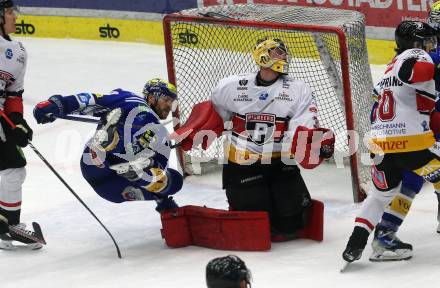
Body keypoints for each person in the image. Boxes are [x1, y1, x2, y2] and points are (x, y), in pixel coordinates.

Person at [172, 37, 334, 241]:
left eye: (283, 52)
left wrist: (313, 144)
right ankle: (239, 203)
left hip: (279, 162)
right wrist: (195, 128)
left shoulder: (298, 89)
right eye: (277, 52)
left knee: (291, 225)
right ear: (262, 55)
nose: (283, 56)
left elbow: (304, 124)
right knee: (257, 223)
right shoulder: (231, 86)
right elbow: (213, 115)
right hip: (242, 164)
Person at [342, 20, 440, 264]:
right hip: (412, 142)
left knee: (380, 196)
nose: (431, 45)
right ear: (416, 43)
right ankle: (385, 234)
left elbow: (378, 109)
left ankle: (357, 244)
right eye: (427, 42)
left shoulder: (389, 67)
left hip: (383, 143)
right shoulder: (418, 55)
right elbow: (414, 72)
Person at [33, 78, 183, 212]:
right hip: (98, 166)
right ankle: (107, 145)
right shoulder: (130, 99)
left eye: (172, 102)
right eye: (166, 100)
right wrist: (58, 104)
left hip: (115, 188)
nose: (170, 106)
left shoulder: (162, 135)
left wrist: (147, 177)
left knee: (174, 180)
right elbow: (92, 100)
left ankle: (129, 166)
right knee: (123, 146)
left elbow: (159, 168)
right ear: (151, 97)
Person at [0, 0, 40, 250]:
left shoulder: (17, 52)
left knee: (12, 170)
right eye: (9, 12)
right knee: (13, 169)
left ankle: (6, 223)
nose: (15, 16)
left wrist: (17, 121)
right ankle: (8, 226)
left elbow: (13, 94)